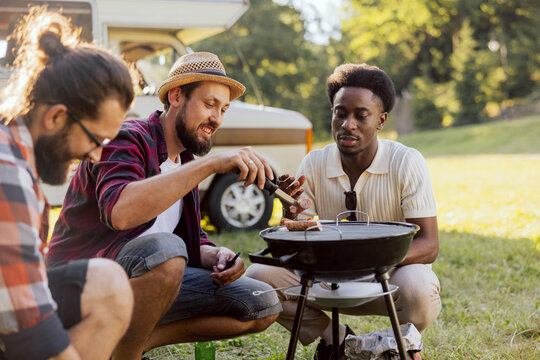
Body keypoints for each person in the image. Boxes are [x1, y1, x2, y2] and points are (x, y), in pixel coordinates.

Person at [46, 51, 282, 359]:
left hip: (150, 279)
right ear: (176, 96)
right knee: (165, 250)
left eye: (223, 109)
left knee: (262, 302)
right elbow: (120, 213)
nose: (217, 118)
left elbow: (190, 238)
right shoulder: (128, 137)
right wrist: (209, 165)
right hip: (80, 285)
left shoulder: (183, 161)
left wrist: (217, 255)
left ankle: (132, 343)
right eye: (209, 104)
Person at [246, 63, 441, 360]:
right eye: (340, 113)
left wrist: (368, 259)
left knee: (420, 286)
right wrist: (291, 209)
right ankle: (336, 340)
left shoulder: (406, 162)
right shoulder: (314, 163)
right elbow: (301, 228)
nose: (348, 124)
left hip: (385, 279)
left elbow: (428, 245)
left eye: (361, 115)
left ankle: (398, 343)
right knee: (257, 278)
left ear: (380, 120)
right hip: (327, 281)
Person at [0, 7, 135, 360]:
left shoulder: (15, 151)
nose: (95, 157)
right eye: (95, 140)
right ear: (56, 117)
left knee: (108, 284)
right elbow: (30, 331)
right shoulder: (6, 171)